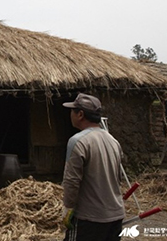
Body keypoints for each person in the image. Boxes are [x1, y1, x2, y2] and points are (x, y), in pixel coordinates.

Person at [61, 93, 125, 241]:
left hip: (88, 219)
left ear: (80, 114)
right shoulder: (113, 140)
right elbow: (118, 177)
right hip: (115, 216)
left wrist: (68, 209)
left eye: (72, 110)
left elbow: (71, 181)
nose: (70, 114)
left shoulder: (78, 141)